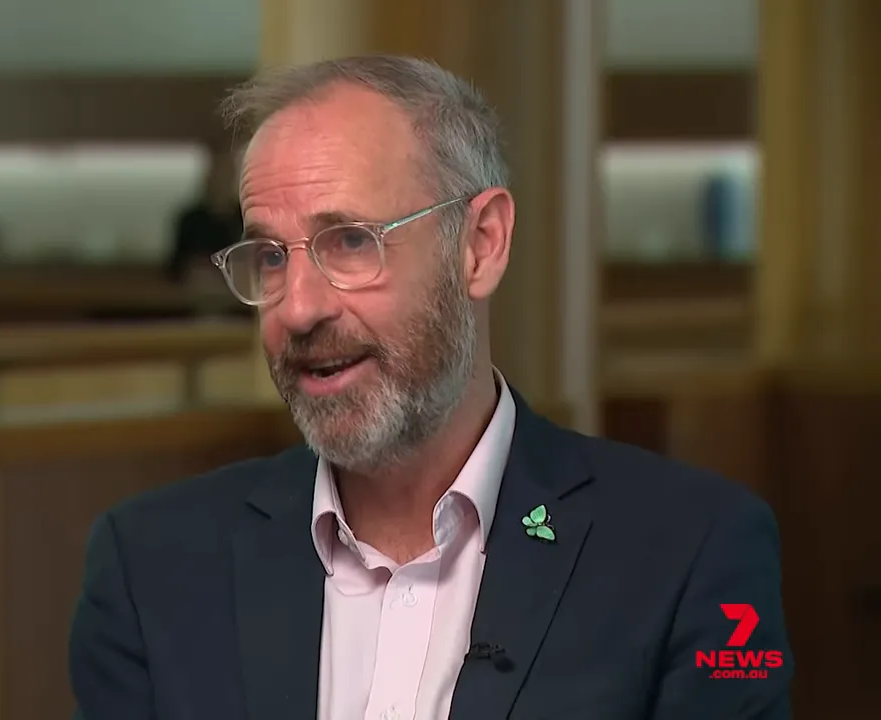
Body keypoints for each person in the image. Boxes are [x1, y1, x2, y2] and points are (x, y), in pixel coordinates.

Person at [69, 56, 792, 720]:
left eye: (351, 241)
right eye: (269, 256)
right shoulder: (151, 565)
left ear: (480, 245)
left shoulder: (691, 552)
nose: (296, 308)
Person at [166, 142, 243, 286]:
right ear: (207, 177)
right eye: (217, 172)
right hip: (195, 298)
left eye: (227, 173)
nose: (221, 179)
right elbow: (174, 268)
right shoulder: (189, 220)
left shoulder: (245, 219)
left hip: (239, 299)